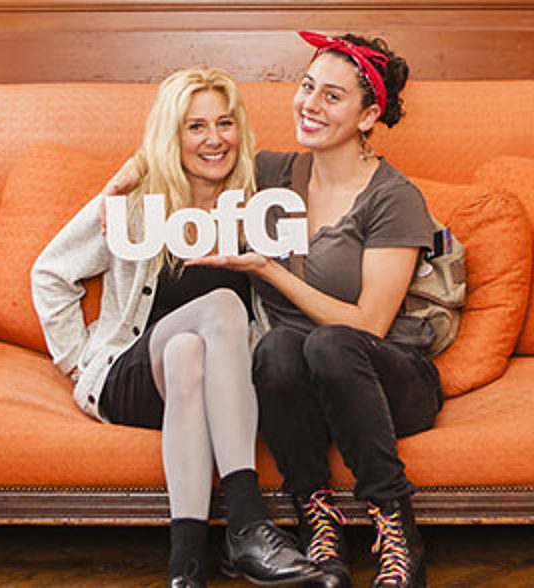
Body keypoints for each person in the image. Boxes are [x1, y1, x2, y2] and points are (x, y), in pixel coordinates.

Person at [30, 66, 321, 588]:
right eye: (195, 127)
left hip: (211, 386)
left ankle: (185, 567)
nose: (215, 140)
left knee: (189, 348)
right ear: (172, 136)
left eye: (225, 123)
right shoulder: (134, 204)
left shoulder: (262, 200)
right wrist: (75, 360)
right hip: (133, 377)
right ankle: (249, 522)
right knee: (221, 308)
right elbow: (50, 272)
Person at [188, 32, 440, 588]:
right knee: (277, 346)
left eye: (332, 96)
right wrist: (121, 183)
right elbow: (179, 156)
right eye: (306, 87)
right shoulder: (271, 174)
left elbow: (371, 323)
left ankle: (396, 528)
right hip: (299, 387)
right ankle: (316, 518)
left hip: (387, 376)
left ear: (369, 114)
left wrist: (269, 269)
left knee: (327, 341)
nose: (309, 104)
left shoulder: (393, 198)